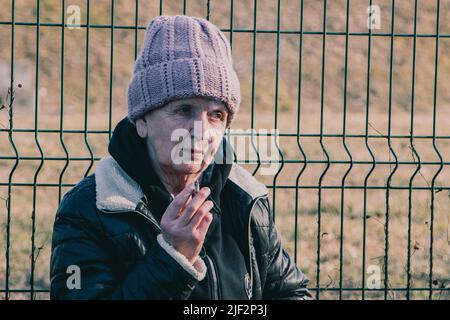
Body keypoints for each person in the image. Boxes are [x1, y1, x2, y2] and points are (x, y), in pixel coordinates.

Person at [49, 15, 311, 300]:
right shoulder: (91, 209)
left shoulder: (245, 199)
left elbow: (290, 292)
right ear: (142, 121)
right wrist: (172, 258)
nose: (200, 131)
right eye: (184, 109)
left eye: (216, 115)